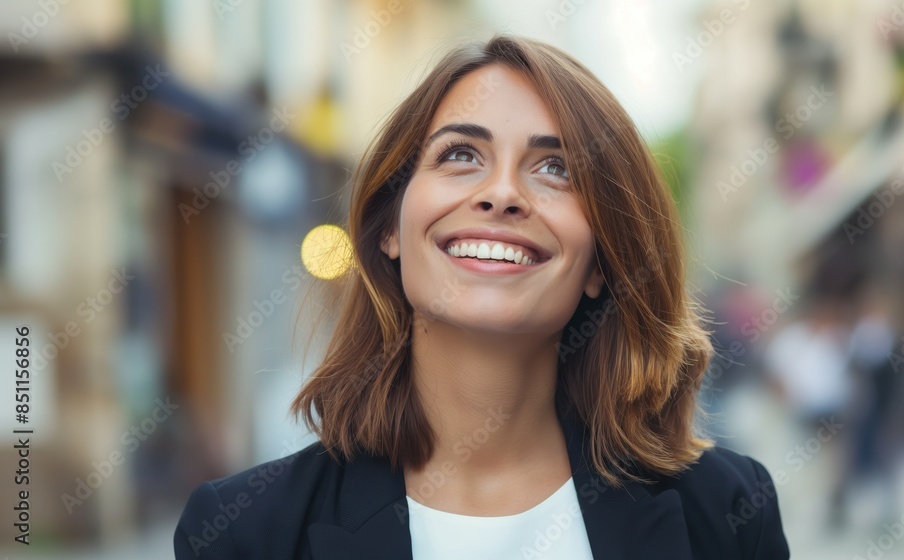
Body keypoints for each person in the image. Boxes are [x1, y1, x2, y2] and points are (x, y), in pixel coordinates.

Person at [174, 34, 790, 559]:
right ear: (390, 227)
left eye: (556, 169)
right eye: (461, 155)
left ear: (601, 261)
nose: (502, 193)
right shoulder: (243, 533)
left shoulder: (728, 515)